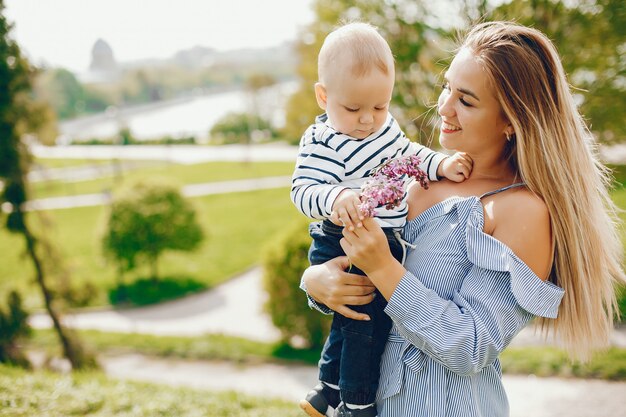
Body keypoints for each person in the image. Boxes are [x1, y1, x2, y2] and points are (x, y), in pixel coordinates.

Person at [301, 21, 625, 417]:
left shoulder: (521, 212)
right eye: (446, 86)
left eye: (466, 101)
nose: (443, 107)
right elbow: (360, 291)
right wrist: (318, 284)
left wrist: (384, 267)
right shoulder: (413, 177)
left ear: (511, 120)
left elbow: (470, 346)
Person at [291, 22, 472, 417]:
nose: (368, 120)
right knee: (363, 325)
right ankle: (357, 404)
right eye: (353, 108)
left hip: (382, 238)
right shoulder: (323, 141)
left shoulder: (384, 129)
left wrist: (440, 164)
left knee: (348, 319)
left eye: (380, 106)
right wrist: (337, 196)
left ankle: (327, 390)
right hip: (344, 234)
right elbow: (302, 191)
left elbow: (408, 156)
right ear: (323, 97)